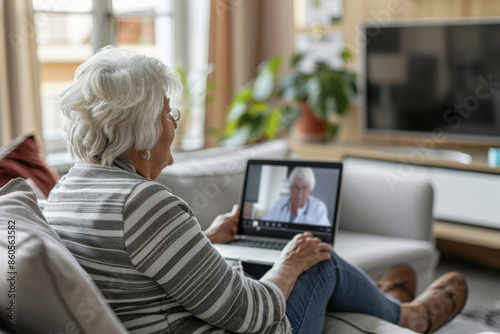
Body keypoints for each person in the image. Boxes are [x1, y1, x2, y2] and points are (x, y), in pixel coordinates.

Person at [43, 46, 467, 334]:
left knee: (281, 261)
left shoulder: (66, 192)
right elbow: (247, 313)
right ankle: (408, 315)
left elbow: (127, 263)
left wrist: (204, 239)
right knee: (313, 256)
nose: (174, 122)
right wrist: (289, 262)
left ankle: (384, 300)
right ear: (140, 137)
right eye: (167, 113)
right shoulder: (142, 203)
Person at [261, 167, 330, 226]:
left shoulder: (319, 208)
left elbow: (323, 237)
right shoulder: (279, 203)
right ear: (290, 188)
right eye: (296, 187)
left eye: (304, 188)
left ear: (310, 190)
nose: (299, 194)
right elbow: (262, 224)